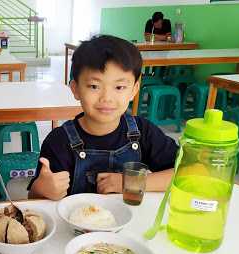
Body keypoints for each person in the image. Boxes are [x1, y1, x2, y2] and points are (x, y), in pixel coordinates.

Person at [28, 35, 178, 200]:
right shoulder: (59, 141)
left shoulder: (143, 132)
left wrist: (130, 182)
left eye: (119, 87)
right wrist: (40, 190)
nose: (107, 98)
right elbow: (36, 200)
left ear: (134, 90)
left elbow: (186, 173)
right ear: (75, 89)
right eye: (94, 86)